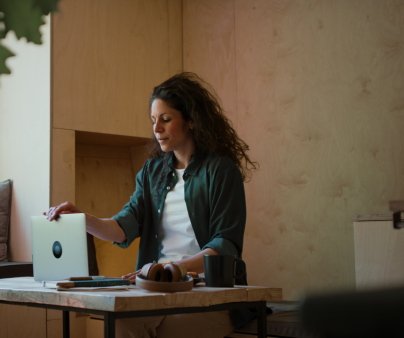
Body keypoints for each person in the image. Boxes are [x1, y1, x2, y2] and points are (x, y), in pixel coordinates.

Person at [44, 72, 257, 338]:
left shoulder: (220, 170)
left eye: (166, 120)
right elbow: (124, 226)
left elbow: (225, 245)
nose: (157, 129)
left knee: (171, 329)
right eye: (154, 121)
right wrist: (81, 219)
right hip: (156, 289)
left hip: (207, 290)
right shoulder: (152, 172)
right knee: (121, 322)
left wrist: (175, 270)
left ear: (191, 120)